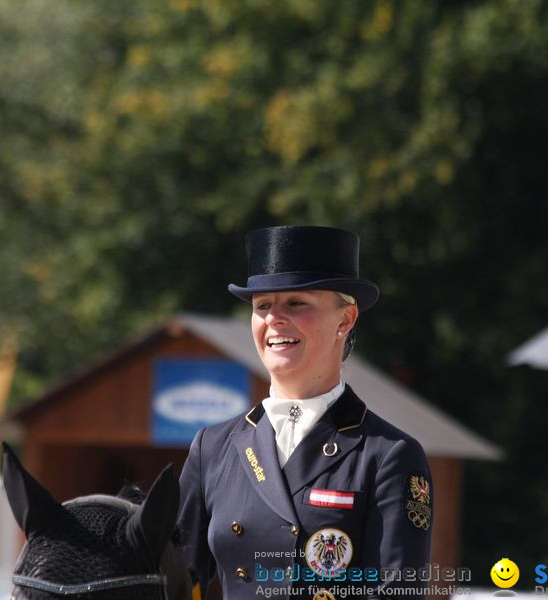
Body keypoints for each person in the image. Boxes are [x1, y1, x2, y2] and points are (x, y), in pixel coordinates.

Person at [178, 225, 433, 600]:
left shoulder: (388, 455)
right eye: (262, 306)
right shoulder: (212, 447)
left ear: (345, 320)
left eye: (296, 303)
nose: (275, 319)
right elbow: (176, 579)